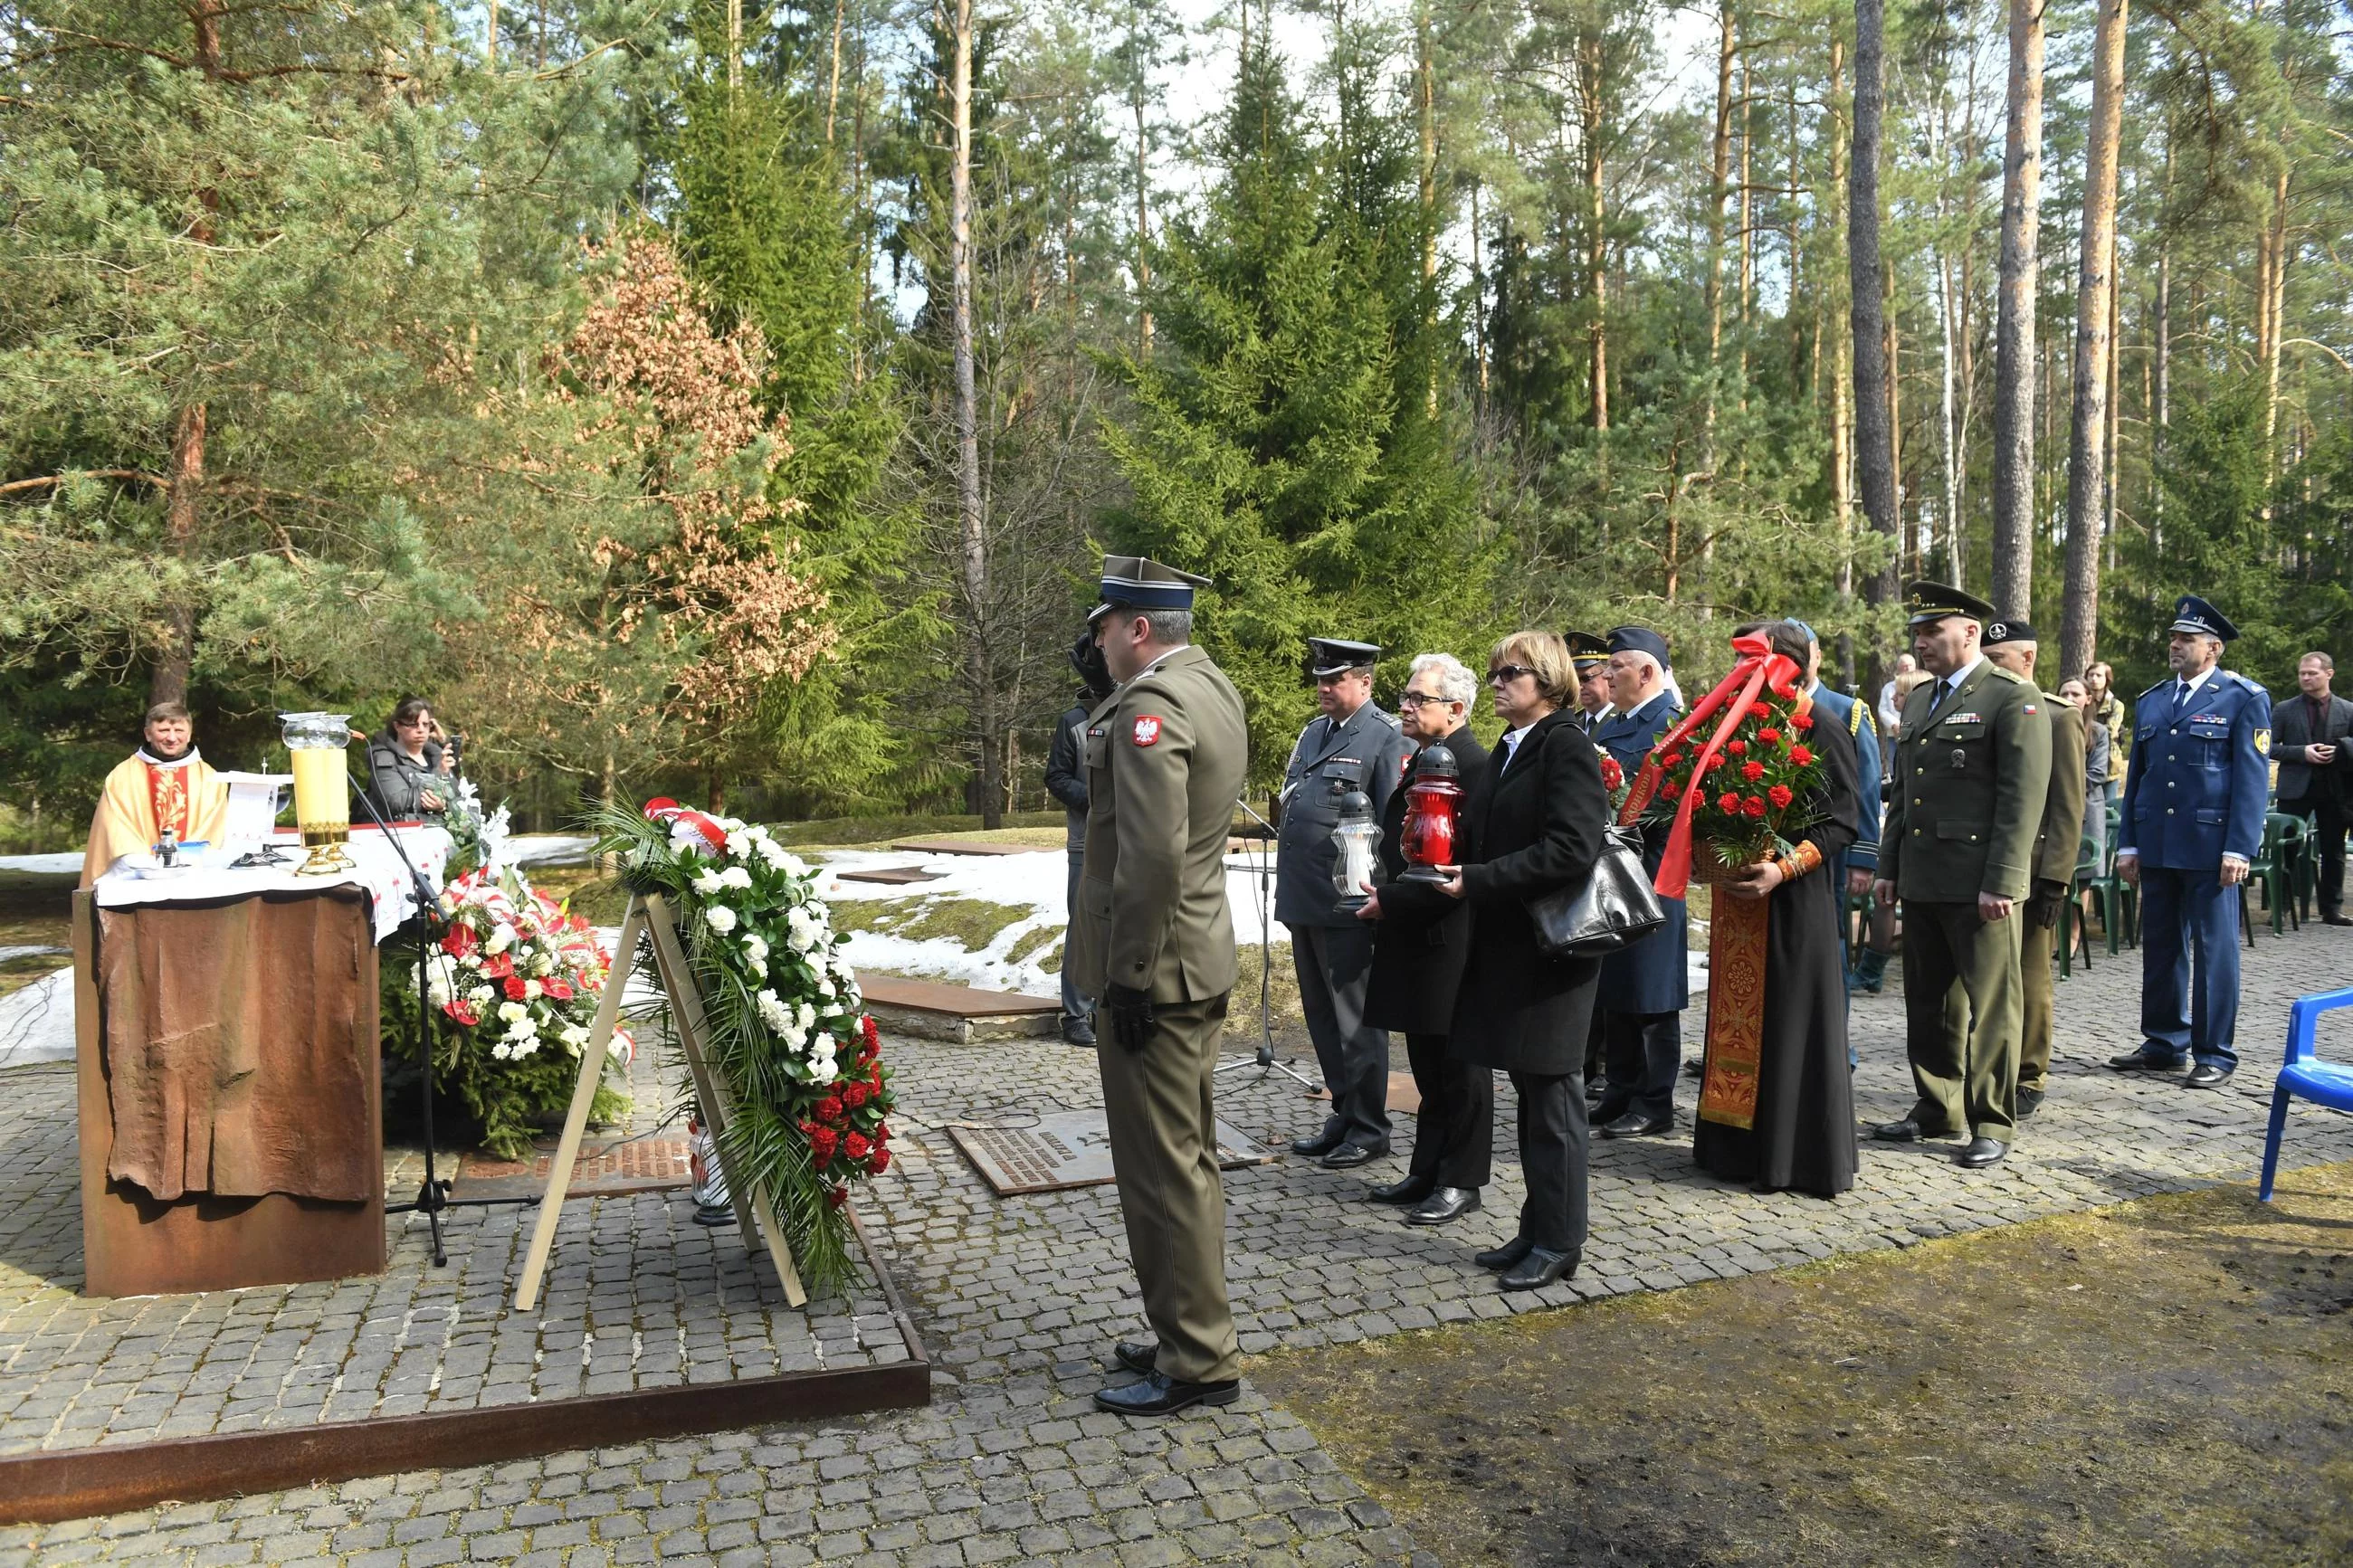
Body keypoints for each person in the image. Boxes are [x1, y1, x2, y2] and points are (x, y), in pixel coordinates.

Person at [1068, 556, 1252, 1418]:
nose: (1096, 637)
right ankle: (1187, 1324)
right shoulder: (1210, 682)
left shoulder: (1150, 708)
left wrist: (1128, 977)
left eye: (1106, 623)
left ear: (1139, 628)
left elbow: (1148, 859)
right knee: (1190, 1159)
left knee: (1161, 1170)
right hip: (1196, 959)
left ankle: (1198, 1359)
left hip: (1159, 972)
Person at [1434, 632, 1610, 1291]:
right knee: (1533, 1094)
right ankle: (1538, 1227)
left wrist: (1477, 878)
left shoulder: (1564, 743)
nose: (1498, 682)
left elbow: (1572, 847)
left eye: (1511, 673)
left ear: (1547, 678)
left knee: (1555, 1097)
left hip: (1555, 950)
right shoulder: (1515, 746)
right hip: (1513, 945)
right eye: (1495, 673)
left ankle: (1562, 1240)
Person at [1872, 581, 2052, 1170]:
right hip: (1925, 877)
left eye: (1932, 631)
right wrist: (1889, 866)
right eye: (1918, 633)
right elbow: (1906, 796)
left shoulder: (2008, 695)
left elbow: (2021, 799)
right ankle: (1938, 1105)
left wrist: (2003, 879)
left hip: (1981, 885)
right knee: (1929, 1005)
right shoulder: (1919, 700)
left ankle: (1992, 1119)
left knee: (1992, 1005)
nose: (1921, 642)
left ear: (1970, 632)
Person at [1691, 620, 1862, 1197]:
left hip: (1794, 901)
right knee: (1738, 1020)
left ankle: (1790, 1159)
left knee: (1791, 1023)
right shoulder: (1735, 723)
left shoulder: (1825, 726)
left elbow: (1843, 821)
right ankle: (1732, 1151)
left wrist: (1782, 869)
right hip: (1740, 900)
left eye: (1751, 663)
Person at [2107, 597, 2272, 1089]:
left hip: (2211, 848)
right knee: (2160, 945)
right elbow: (2137, 777)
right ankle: (2163, 1042)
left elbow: (2251, 779)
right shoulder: (2153, 699)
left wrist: (2240, 847)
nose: (2175, 645)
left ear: (2214, 648)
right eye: (2174, 638)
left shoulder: (2242, 698)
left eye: (2187, 639)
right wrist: (2128, 843)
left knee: (2215, 948)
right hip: (2157, 844)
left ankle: (2215, 1052)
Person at [1355, 653, 1492, 1225]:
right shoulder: (1430, 757)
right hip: (1416, 933)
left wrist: (1391, 898)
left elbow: (1457, 865)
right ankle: (1427, 1169)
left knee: (1459, 1069)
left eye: (1419, 699)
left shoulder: (1472, 765)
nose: (1405, 706)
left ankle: (1461, 1180)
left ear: (1456, 709)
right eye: (1406, 697)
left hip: (1449, 937)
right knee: (1427, 1065)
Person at [1276, 637, 1415, 1169]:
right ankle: (1344, 1110)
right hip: (1305, 897)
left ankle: (1370, 1125)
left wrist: (1382, 895)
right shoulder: (1314, 734)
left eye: (1335, 679)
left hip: (1349, 903)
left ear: (1366, 682)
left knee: (1354, 1020)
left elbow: (1392, 823)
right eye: (1321, 679)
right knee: (1321, 1017)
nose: (1325, 688)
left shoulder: (1384, 738)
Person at [1980, 620, 2086, 1121]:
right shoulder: (1980, 710)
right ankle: (1987, 1067)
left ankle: (2028, 1072)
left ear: (2027, 660)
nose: (1991, 666)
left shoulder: (2058, 716)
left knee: (2029, 973)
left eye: (1999, 658)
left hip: (2035, 868)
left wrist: (2056, 879)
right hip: (1985, 865)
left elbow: (2068, 805)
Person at [1589, 626, 1687, 1139]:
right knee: (1618, 989)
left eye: (1616, 667)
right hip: (1613, 880)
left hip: (1652, 876)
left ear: (1646, 672)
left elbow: (1672, 810)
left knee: (1652, 994)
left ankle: (1655, 1101)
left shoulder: (1670, 727)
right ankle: (1620, 1090)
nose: (1606, 675)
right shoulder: (1609, 728)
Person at [1784, 623, 1881, 1001]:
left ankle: (1838, 1047)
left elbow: (1868, 787)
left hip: (1833, 851)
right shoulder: (1766, 707)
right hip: (1778, 852)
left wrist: (1863, 857)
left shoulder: (1845, 710)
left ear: (1818, 656)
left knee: (1832, 946)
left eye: (1806, 651)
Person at [1046, 633, 1114, 1044]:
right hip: (1086, 841)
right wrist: (1094, 800)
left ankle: (1108, 1007)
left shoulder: (1133, 711)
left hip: (1131, 840)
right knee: (1083, 924)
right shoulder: (1072, 721)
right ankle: (1075, 1014)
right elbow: (1055, 776)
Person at [81, 701, 230, 887]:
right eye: (164, 730)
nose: (172, 738)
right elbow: (116, 831)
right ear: (148, 734)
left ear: (190, 734)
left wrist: (183, 861)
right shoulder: (122, 776)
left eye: (179, 730)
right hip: (138, 875)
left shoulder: (209, 778)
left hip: (193, 875)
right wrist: (149, 865)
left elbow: (213, 831)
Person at [2273, 651, 2351, 926]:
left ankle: (2331, 908)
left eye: (2312, 673)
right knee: (2287, 849)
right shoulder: (2284, 709)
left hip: (2335, 790)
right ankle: (2281, 908)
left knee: (2334, 850)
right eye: (2302, 673)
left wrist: (2340, 751)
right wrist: (2301, 752)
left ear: (2329, 674)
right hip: (2295, 789)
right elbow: (2266, 747)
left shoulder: (2348, 709)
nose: (2305, 678)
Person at [366, 697, 453, 824]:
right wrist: (438, 774)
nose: (421, 730)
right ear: (397, 726)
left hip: (439, 837)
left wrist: (443, 807)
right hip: (398, 838)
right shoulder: (384, 758)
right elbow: (397, 802)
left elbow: (460, 801)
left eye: (426, 724)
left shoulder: (436, 758)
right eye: (413, 724)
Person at [2057, 677, 2110, 881]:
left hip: (2087, 806)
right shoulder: (2048, 725)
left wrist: (2063, 788)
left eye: (2075, 694)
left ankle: (2079, 915)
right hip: (2055, 808)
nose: (2069, 698)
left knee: (2083, 875)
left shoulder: (2098, 732)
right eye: (2064, 694)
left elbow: (2097, 773)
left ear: (2088, 699)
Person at [2085, 660, 2129, 804]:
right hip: (2084, 761)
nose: (2094, 679)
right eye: (2091, 675)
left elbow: (2110, 731)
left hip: (2109, 765)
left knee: (2108, 809)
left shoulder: (2115, 705)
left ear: (2107, 679)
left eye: (2099, 675)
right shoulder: (2082, 701)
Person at [1567, 632, 1612, 733]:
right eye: (1575, 680)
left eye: (1586, 678)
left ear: (1608, 675)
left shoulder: (1626, 720)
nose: (1579, 687)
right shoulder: (1572, 724)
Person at [1876, 651, 1917, 739]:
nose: (1908, 668)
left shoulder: (1921, 685)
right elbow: (1882, 710)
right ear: (1898, 668)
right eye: (1905, 666)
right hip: (1894, 734)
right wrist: (1895, 724)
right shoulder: (1889, 687)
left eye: (1910, 665)